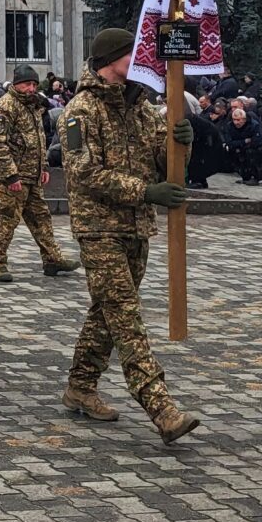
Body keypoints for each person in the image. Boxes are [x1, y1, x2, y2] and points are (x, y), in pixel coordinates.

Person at [57, 27, 200, 443]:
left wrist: (181, 143)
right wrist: (144, 192)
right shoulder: (80, 111)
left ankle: (80, 387)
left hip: (136, 227)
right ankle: (161, 406)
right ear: (109, 61)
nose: (140, 62)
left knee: (108, 310)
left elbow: (162, 159)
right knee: (125, 317)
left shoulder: (140, 107)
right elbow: (84, 173)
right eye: (131, 55)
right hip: (98, 227)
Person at [0, 66, 76, 282]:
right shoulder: (5, 107)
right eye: (27, 84)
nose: (31, 88)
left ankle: (52, 259)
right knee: (6, 221)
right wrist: (10, 175)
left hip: (33, 175)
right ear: (16, 84)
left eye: (34, 85)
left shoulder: (34, 106)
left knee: (42, 219)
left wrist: (43, 167)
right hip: (14, 178)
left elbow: (39, 139)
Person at [220, 104, 262, 185]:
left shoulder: (254, 125)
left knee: (251, 155)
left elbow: (257, 141)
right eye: (234, 120)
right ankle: (246, 177)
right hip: (241, 147)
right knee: (233, 154)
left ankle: (257, 176)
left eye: (238, 120)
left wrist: (239, 144)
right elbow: (229, 142)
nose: (236, 122)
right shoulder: (229, 126)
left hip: (258, 148)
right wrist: (244, 142)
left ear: (244, 119)